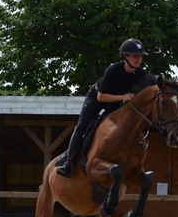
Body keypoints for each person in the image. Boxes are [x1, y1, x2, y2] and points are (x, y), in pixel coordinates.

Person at [55, 38, 148, 178]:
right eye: (135, 55)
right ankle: (69, 161)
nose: (138, 59)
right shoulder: (113, 70)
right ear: (125, 56)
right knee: (81, 126)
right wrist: (124, 97)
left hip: (115, 100)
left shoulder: (140, 73)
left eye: (140, 56)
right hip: (97, 98)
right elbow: (101, 97)